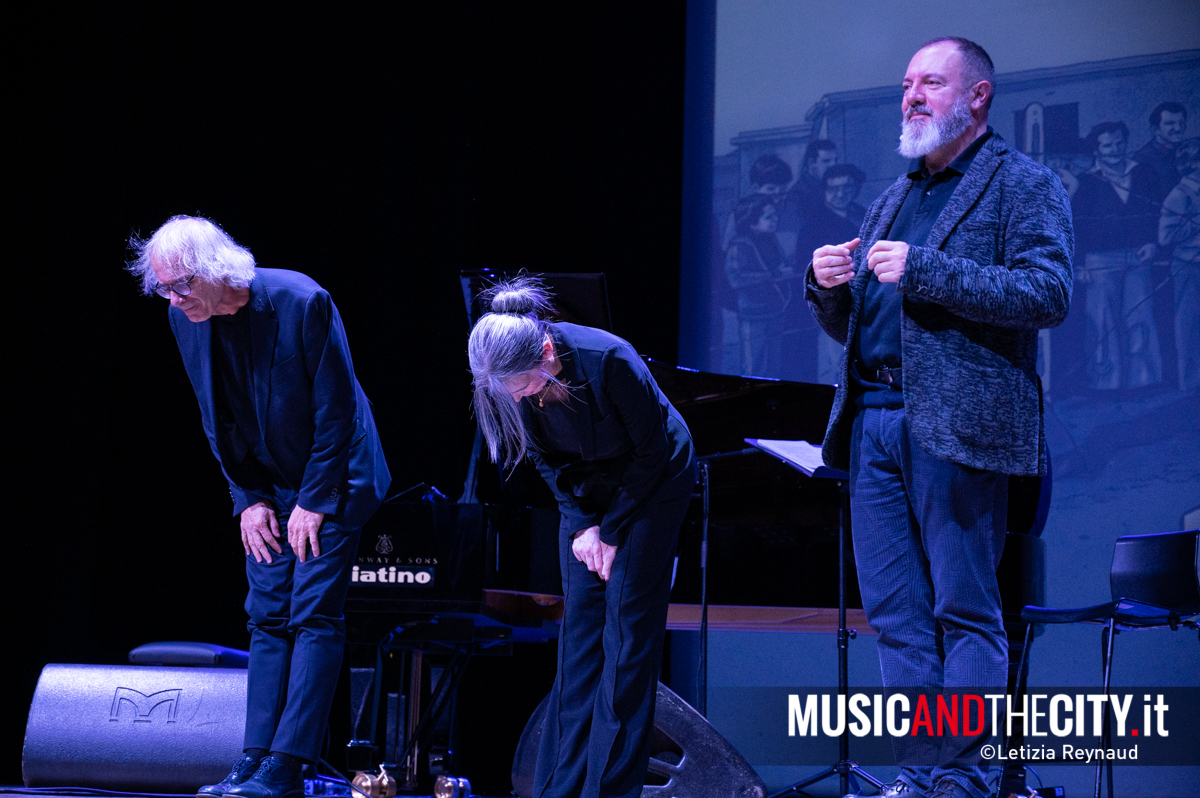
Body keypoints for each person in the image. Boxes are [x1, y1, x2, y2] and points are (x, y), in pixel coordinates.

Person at [807, 38, 1072, 798]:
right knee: (896, 617)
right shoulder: (896, 195)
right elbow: (871, 323)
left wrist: (924, 268)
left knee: (965, 610)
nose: (911, 97)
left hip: (957, 426)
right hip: (875, 422)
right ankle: (923, 776)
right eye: (906, 84)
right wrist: (829, 287)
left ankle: (966, 780)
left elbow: (1046, 294)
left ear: (978, 96)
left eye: (930, 83)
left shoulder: (1022, 183)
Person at [128, 216, 391, 798]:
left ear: (217, 270)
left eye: (182, 286)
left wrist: (315, 503)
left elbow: (337, 412)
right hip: (267, 484)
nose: (173, 300)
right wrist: (248, 500)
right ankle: (253, 760)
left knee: (313, 615)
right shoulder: (186, 320)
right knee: (266, 614)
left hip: (336, 477)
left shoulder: (300, 300)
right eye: (164, 290)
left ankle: (288, 765)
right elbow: (213, 418)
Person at [467, 278, 695, 798]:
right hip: (586, 494)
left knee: (626, 644)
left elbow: (651, 455)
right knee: (578, 647)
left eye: (525, 386)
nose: (521, 398)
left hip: (651, 485)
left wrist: (612, 532)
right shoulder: (511, 379)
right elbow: (542, 458)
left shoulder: (609, 358)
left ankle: (609, 791)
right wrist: (585, 524)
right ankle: (556, 790)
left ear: (546, 352)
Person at [1071, 121, 1163, 390]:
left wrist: (1153, 243)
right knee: (1102, 323)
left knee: (1140, 317)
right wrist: (1079, 264)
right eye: (1107, 144)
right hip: (1099, 262)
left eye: (1119, 142)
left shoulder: (1145, 174)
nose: (1115, 149)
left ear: (1126, 143)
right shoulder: (1086, 182)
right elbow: (1075, 225)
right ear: (1097, 149)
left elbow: (1157, 214)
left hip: (1138, 257)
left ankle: (1143, 381)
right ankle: (1106, 385)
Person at [725, 193, 795, 376]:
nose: (775, 220)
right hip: (753, 315)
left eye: (775, 215)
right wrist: (770, 275)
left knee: (774, 365)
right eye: (768, 217)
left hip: (776, 311)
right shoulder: (739, 245)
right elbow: (735, 278)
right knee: (753, 366)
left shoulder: (771, 240)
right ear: (752, 220)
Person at [1159, 138, 1200, 391]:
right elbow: (1165, 237)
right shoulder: (1178, 196)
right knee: (1188, 324)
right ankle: (1190, 383)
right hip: (1188, 267)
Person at [1134, 102, 1188, 205]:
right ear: (1155, 129)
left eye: (1181, 123)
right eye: (1170, 123)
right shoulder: (1142, 159)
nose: (1178, 128)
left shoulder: (1190, 151)